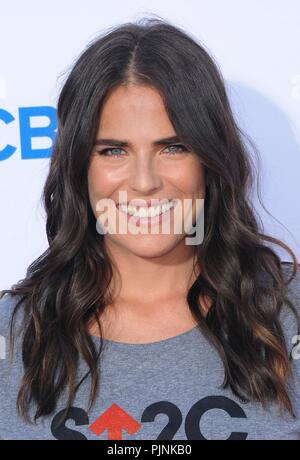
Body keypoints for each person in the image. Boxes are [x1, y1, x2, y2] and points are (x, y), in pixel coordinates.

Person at [0, 17, 300, 440]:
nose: (144, 181)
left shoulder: (286, 313)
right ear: (79, 167)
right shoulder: (13, 334)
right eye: (113, 150)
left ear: (211, 161)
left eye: (173, 147)